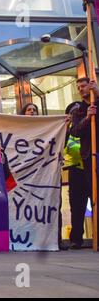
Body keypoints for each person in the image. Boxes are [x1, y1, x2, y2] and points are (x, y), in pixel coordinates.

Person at [69, 77, 99, 249]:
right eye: (78, 87)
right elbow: (75, 131)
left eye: (83, 86)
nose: (81, 89)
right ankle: (76, 239)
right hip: (85, 160)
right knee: (78, 204)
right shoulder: (78, 109)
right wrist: (88, 118)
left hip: (96, 156)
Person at [63, 102, 89, 250]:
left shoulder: (88, 130)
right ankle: (76, 238)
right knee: (77, 207)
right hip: (75, 171)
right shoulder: (68, 133)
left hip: (90, 168)